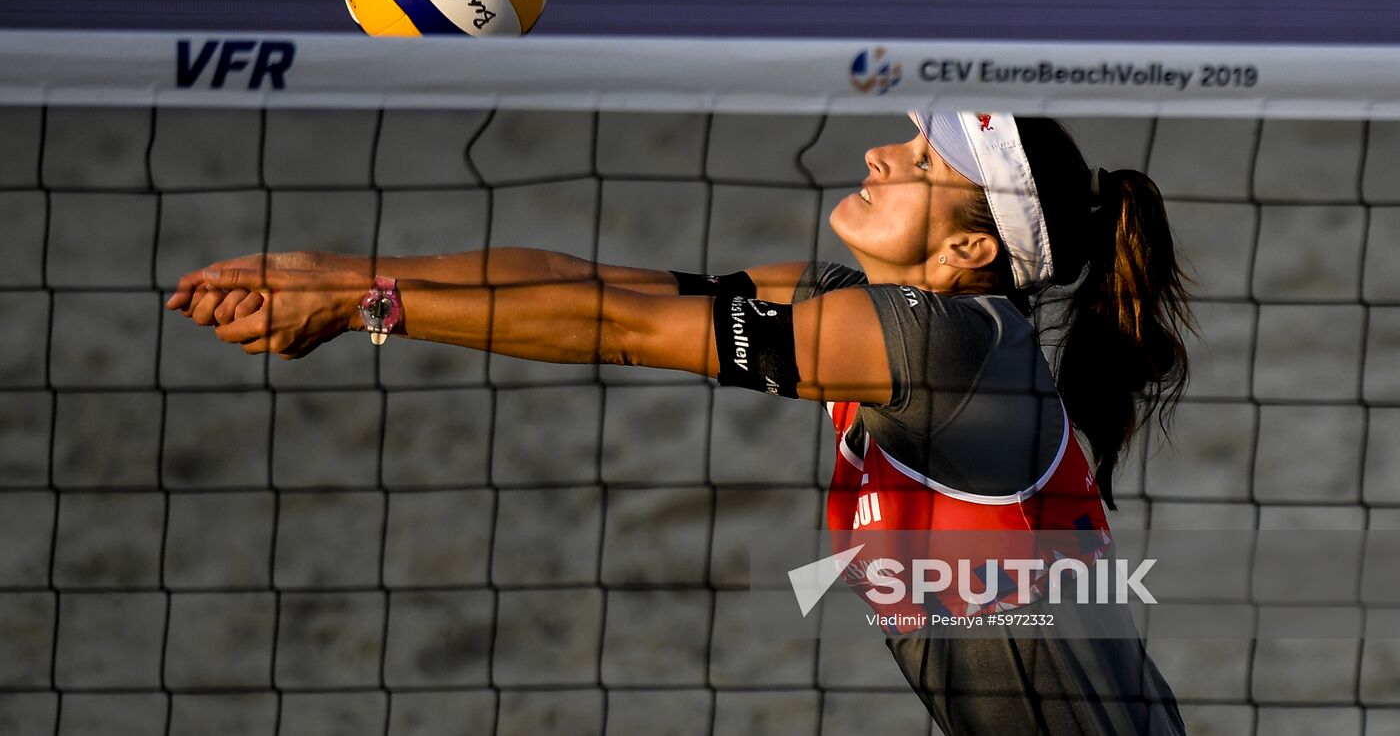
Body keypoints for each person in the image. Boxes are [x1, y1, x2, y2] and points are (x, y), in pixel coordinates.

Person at [168, 111, 1192, 735]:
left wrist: (368, 311)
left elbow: (618, 330)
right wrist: (339, 277)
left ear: (971, 252)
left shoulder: (944, 347)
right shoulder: (866, 312)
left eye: (922, 165)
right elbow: (597, 282)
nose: (883, 154)